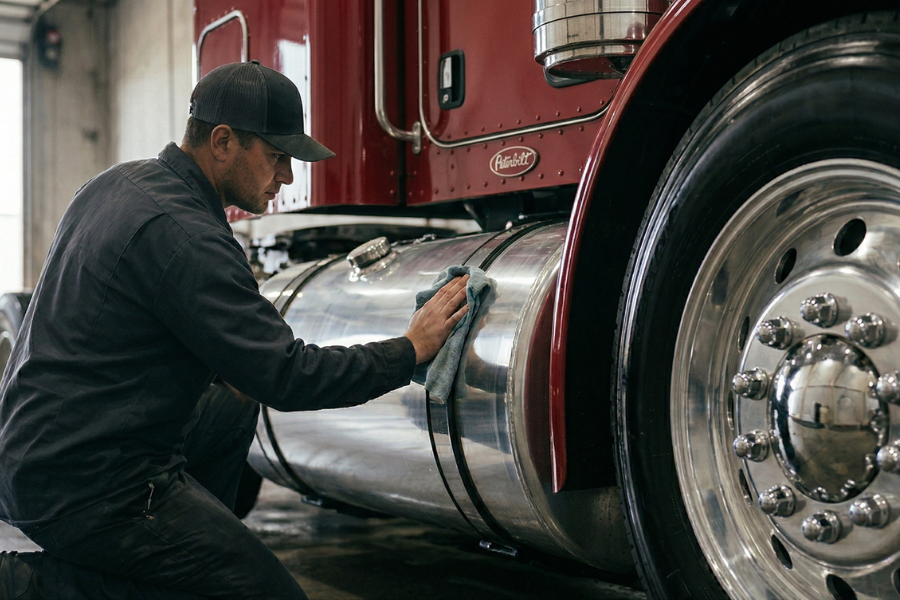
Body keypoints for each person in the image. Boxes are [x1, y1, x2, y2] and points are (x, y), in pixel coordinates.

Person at [0, 60, 469, 600]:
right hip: (90, 484)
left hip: (35, 451)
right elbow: (289, 377)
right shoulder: (188, 237)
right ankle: (31, 587)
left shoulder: (115, 183)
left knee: (230, 405)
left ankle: (183, 552)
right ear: (222, 142)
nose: (287, 177)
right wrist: (410, 348)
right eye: (276, 157)